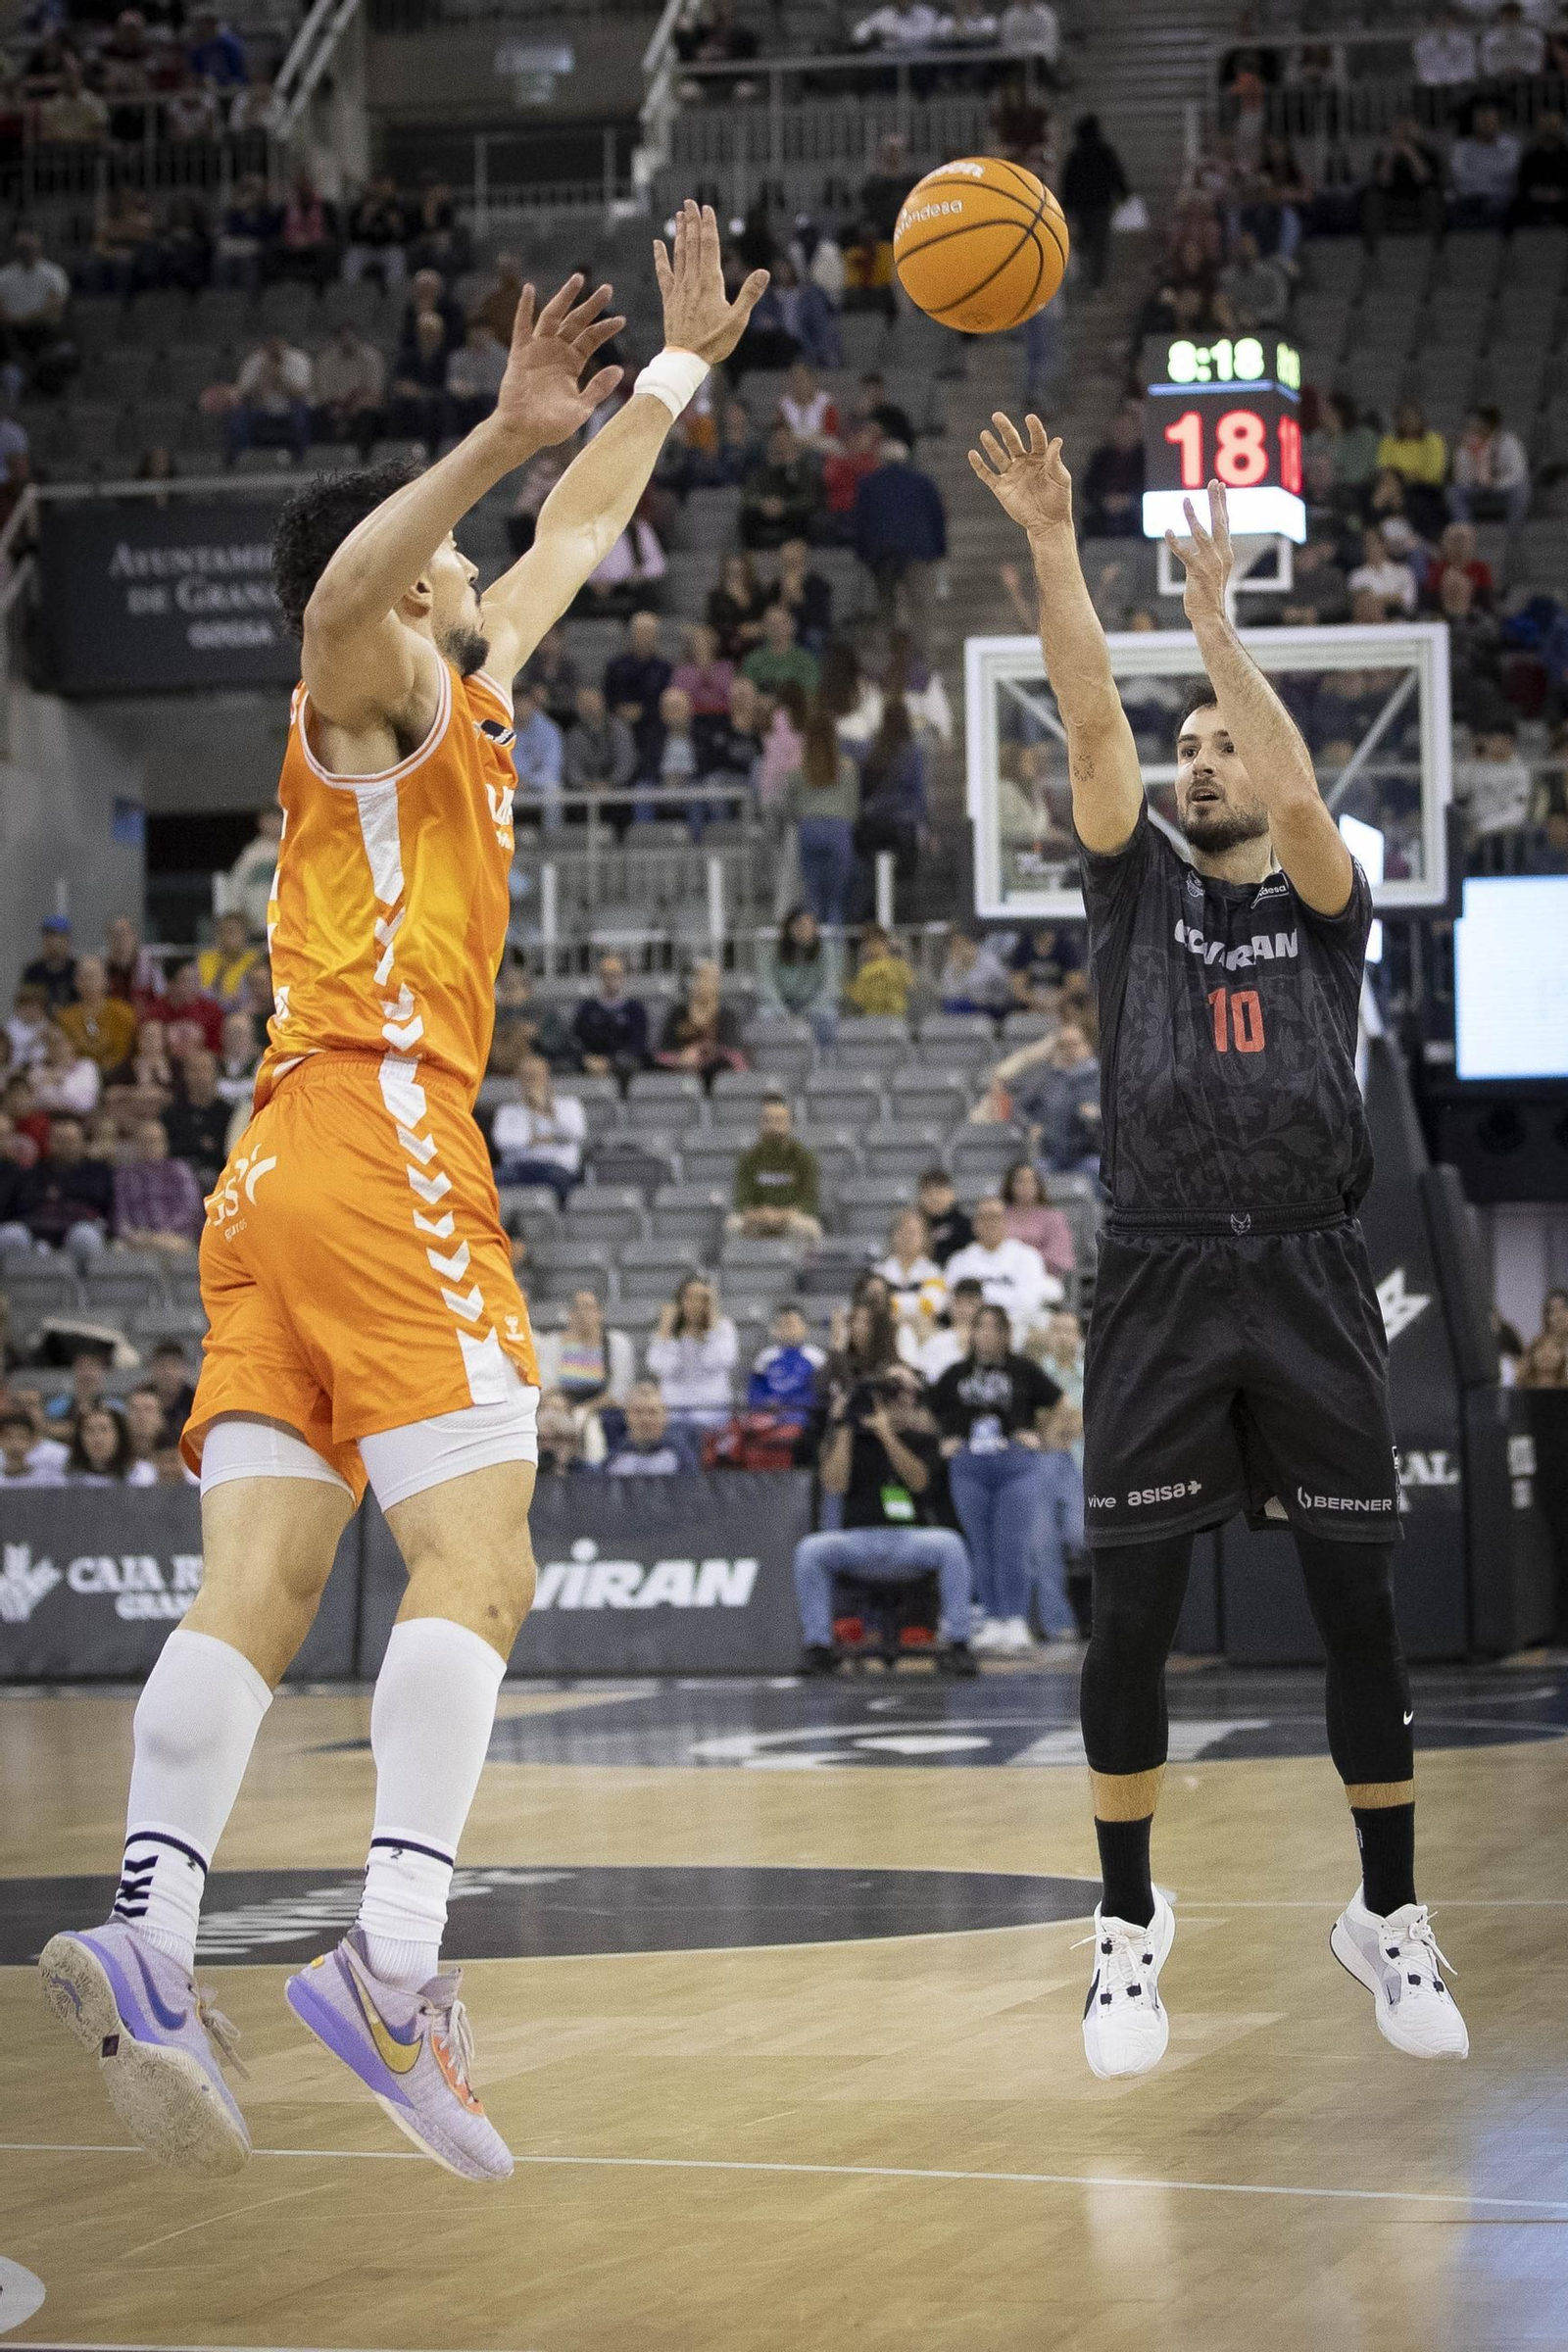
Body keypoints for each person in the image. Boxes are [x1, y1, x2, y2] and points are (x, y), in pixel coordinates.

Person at [36, 204, 769, 2182]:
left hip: (269, 1168)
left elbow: (582, 530)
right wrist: (492, 434)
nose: (477, 565)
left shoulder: (476, 677)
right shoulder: (364, 680)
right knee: (483, 1562)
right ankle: (392, 1964)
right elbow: (351, 590)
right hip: (375, 1134)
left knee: (259, 1588)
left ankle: (157, 1936)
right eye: (449, 552)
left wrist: (677, 373)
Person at [973, 411, 1465, 2075]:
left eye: (1220, 746)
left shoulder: (1331, 907)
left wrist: (1216, 637)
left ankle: (1385, 1915)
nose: (1197, 760)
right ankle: (1127, 1929)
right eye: (1188, 747)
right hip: (1167, 1269)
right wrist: (1055, 544)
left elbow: (1304, 785)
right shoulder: (1134, 899)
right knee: (1129, 1619)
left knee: (1360, 1612)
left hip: (1312, 1273)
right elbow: (1093, 716)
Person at [793, 1361, 975, 1677]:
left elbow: (918, 1481)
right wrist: (846, 1426)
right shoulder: (849, 1439)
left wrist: (885, 1432)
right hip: (857, 1541)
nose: (888, 1403)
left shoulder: (919, 1438)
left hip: (909, 1541)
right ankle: (818, 1646)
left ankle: (959, 1643)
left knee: (951, 1544)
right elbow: (833, 1484)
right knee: (810, 1550)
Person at [931, 1301, 1069, 1652]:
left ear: (1006, 1333)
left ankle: (1016, 1618)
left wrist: (1041, 1434)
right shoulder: (956, 1373)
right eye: (981, 1327)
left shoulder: (1022, 1370)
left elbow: (1059, 1400)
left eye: (995, 1327)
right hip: (969, 1466)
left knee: (1013, 1545)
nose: (987, 1334)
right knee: (980, 1546)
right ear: (972, 1333)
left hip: (1015, 1465)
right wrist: (946, 1439)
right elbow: (929, 1408)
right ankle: (992, 1618)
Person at [852, 439, 948, 645]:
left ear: (882, 459)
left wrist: (862, 554)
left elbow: (860, 522)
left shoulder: (868, 484)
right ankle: (923, 662)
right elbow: (937, 518)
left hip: (882, 554)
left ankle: (888, 664)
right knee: (921, 608)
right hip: (918, 552)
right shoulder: (923, 482)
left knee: (885, 607)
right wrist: (940, 551)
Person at [784, 698, 859, 927]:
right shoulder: (846, 767)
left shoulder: (799, 769)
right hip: (838, 829)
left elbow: (791, 806)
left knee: (813, 900)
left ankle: (816, 952)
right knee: (836, 901)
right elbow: (853, 807)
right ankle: (834, 955)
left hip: (809, 828)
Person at [0, 1114, 113, 1257]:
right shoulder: (34, 1171)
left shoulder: (97, 1170)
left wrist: (59, 1193)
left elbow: (99, 1198)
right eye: (59, 1140)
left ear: (82, 1142)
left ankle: (85, 1280)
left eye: (70, 1141)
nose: (64, 1146)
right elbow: (22, 1202)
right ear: (49, 1142)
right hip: (38, 1229)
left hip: (79, 1226)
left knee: (85, 1236)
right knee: (11, 1234)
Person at [946, 1195, 1062, 1327]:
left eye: (995, 1217)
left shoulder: (1028, 1257)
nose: (990, 1223)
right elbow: (952, 1304)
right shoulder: (958, 1261)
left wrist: (996, 1324)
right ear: (975, 1224)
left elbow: (1030, 1303)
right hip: (970, 1331)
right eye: (984, 1218)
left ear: (1006, 1222)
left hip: (1017, 1328)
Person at [646, 1274, 739, 1429]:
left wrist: (711, 1327)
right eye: (689, 1297)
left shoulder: (723, 1327)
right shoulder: (667, 1332)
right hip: (673, 1407)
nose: (695, 1304)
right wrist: (666, 1331)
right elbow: (660, 1368)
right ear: (680, 1301)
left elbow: (718, 1361)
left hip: (711, 1406)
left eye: (702, 1299)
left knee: (697, 1425)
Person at [490, 1054, 584, 1203]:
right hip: (517, 1168)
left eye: (535, 1076)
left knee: (559, 1182)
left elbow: (576, 1133)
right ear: (518, 1080)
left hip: (556, 1168)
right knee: (490, 1182)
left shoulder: (568, 1105)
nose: (531, 1082)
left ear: (546, 1077)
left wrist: (546, 1111)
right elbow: (502, 1141)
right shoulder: (507, 1110)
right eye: (526, 1076)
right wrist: (538, 1140)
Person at [728, 1093, 822, 1243]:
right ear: (760, 1123)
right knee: (733, 1225)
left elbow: (809, 1203)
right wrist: (760, 1215)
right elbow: (741, 1202)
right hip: (759, 1219)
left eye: (778, 1120)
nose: (773, 1126)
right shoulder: (749, 1158)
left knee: (809, 1227)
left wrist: (781, 1215)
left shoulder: (804, 1158)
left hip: (791, 1219)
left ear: (789, 1123)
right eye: (768, 1120)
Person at [534, 1287, 636, 1412]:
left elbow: (619, 1392)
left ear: (600, 1313)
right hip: (562, 1409)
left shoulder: (618, 1343)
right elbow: (546, 1387)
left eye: (589, 1308)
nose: (582, 1314)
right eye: (577, 1308)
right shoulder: (552, 1342)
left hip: (604, 1411)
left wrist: (585, 1410)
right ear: (569, 1314)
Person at [1061, 115, 1131, 293]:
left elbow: (1067, 184)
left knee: (1085, 244)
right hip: (1101, 207)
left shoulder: (1075, 156)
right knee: (1100, 246)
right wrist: (1124, 194)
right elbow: (1116, 175)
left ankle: (1085, 279)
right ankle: (1096, 283)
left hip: (1082, 209)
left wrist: (1066, 207)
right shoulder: (1105, 152)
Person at [113, 1117, 205, 1252]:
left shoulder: (179, 1170)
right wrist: (132, 1235)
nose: (150, 1146)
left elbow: (191, 1210)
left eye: (154, 1141)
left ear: (165, 1143)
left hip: (174, 1236)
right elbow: (120, 1213)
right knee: (117, 1249)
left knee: (175, 1246)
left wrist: (162, 1234)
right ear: (136, 1144)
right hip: (138, 1239)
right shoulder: (125, 1175)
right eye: (144, 1141)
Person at [760, 905, 842, 1045]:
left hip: (815, 1004)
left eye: (809, 926)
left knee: (828, 1014)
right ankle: (775, 1058)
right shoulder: (772, 951)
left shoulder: (826, 950)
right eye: (799, 926)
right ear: (789, 928)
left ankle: (823, 1057)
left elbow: (830, 987)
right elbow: (767, 986)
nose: (804, 930)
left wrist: (807, 1011)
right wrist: (783, 1011)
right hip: (783, 1003)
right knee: (765, 1015)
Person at [655, 960, 746, 1083]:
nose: (701, 984)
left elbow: (732, 1053)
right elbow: (664, 1051)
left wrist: (700, 1053)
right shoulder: (678, 1013)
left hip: (715, 1071)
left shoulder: (726, 1015)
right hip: (680, 1068)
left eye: (707, 979)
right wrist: (681, 1057)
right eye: (696, 978)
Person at [1448, 406, 1531, 528]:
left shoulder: (1509, 442)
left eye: (1480, 424)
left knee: (1522, 488)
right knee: (1453, 491)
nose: (1476, 427)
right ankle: (1465, 531)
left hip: (1501, 489)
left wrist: (1495, 484)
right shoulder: (1466, 446)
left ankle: (1514, 531)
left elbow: (1518, 473)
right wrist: (1473, 459)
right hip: (1477, 490)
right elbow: (1461, 480)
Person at [571, 953, 651, 1078]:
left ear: (623, 976)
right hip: (591, 1061)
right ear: (600, 976)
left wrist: (610, 1061)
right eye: (606, 974)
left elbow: (638, 1044)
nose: (611, 978)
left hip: (622, 1063)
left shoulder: (635, 1009)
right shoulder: (587, 1008)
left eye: (616, 974)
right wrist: (587, 1059)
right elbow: (577, 1039)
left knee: (629, 1063)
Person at [163, 1049, 231, 1194]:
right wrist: (201, 1145)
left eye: (204, 1070)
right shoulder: (171, 1114)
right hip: (176, 1180)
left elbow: (227, 1153)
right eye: (193, 1070)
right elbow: (167, 1151)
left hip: (218, 1182)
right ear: (185, 1075)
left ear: (215, 1074)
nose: (199, 1076)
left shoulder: (228, 1114)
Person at [748, 1301, 826, 1426]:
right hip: (769, 1420)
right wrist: (765, 1403)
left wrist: (788, 1406)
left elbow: (818, 1395)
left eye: (791, 1324)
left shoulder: (817, 1357)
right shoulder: (765, 1357)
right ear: (775, 1329)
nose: (787, 1329)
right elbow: (755, 1393)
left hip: (804, 1421)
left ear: (804, 1327)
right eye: (782, 1325)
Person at [58, 956, 137, 1074]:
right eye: (83, 977)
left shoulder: (124, 1012)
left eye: (93, 977)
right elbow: (64, 1054)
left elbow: (123, 1053)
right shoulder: (65, 1017)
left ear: (106, 981)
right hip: (77, 1077)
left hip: (117, 1075)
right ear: (75, 982)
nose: (88, 983)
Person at [1000, 1159, 1076, 1280]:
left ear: (1038, 1185)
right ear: (1010, 1185)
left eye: (1030, 1181)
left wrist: (1028, 1265)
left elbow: (1059, 1255)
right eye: (1020, 1181)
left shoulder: (1054, 1217)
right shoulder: (999, 1215)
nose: (1025, 1187)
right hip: (1004, 1275)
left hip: (1043, 1276)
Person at [604, 1380, 700, 1474]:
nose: (645, 1419)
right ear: (626, 1415)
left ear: (664, 1415)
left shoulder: (681, 1457)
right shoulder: (615, 1459)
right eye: (638, 1412)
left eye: (652, 1411)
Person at [876, 1207, 947, 1335]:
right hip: (887, 1333)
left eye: (913, 1232)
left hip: (923, 1333)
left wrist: (893, 1304)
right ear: (893, 1235)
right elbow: (876, 1307)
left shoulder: (933, 1271)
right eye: (903, 1231)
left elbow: (931, 1305)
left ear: (924, 1238)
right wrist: (916, 1303)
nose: (907, 1237)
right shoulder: (879, 1272)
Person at [564, 683, 637, 799]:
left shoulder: (620, 729)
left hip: (617, 793)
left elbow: (625, 762)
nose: (588, 707)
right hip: (584, 795)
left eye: (591, 702)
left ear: (602, 702)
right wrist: (585, 785)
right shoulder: (574, 734)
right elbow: (572, 767)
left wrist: (610, 784)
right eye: (582, 703)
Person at [33, 1020, 102, 1120]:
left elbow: (86, 1103)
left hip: (79, 1120)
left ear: (72, 1044)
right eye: (50, 1043)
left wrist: (60, 1082)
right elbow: (37, 1101)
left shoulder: (87, 1066)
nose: (55, 1047)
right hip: (46, 1119)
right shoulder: (38, 1069)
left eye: (59, 1042)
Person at [844, 924, 913, 1018]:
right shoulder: (865, 970)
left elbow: (910, 984)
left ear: (885, 943)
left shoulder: (898, 965)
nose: (871, 948)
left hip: (896, 1018)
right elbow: (859, 998)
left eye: (875, 943)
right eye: (867, 944)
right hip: (871, 1018)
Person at [915, 1167, 973, 1266]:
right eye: (928, 1193)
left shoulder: (966, 1225)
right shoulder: (913, 1227)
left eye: (939, 1192)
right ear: (920, 1197)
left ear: (952, 1194)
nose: (934, 1198)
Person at [67, 1404, 135, 1487]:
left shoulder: (138, 1475)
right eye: (90, 1430)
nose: (97, 1438)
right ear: (80, 1438)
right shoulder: (68, 1478)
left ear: (119, 1435)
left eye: (104, 1429)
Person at [0, 1401, 66, 1487]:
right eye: (8, 1437)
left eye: (22, 1437)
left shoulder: (49, 1481)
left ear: (31, 1442)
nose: (15, 1444)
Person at [23, 915, 78, 1012]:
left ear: (67, 940)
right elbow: (25, 1001)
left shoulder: (77, 969)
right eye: (49, 937)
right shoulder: (33, 971)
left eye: (59, 937)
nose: (53, 942)